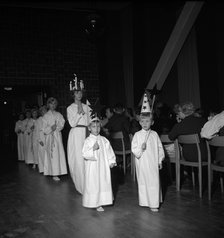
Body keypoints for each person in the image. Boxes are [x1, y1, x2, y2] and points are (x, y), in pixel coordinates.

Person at [131, 93, 164, 212]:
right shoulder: (137, 135)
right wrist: (141, 148)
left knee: (154, 181)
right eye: (142, 121)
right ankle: (145, 201)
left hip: (153, 162)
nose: (145, 123)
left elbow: (160, 148)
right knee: (144, 181)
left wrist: (160, 160)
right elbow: (134, 149)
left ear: (152, 122)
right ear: (139, 122)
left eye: (148, 121)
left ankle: (154, 203)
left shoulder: (154, 135)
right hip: (142, 163)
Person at [82, 112, 117, 212]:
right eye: (93, 126)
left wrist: (111, 161)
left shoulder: (104, 140)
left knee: (102, 182)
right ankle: (94, 202)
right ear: (89, 128)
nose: (96, 129)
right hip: (92, 167)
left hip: (103, 166)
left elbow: (109, 151)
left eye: (98, 126)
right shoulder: (88, 141)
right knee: (94, 183)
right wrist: (92, 149)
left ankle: (101, 201)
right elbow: (84, 154)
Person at [67, 76, 92, 194]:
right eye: (77, 92)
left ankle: (89, 184)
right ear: (73, 94)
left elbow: (90, 121)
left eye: (80, 92)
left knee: (88, 158)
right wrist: (79, 113)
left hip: (86, 133)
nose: (79, 94)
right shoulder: (70, 108)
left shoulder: (87, 106)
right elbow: (72, 123)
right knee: (78, 159)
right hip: (76, 134)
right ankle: (81, 186)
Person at [42, 97, 67, 181]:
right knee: (52, 154)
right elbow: (44, 129)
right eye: (51, 103)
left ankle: (58, 171)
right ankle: (52, 172)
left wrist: (57, 127)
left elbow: (62, 124)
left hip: (57, 136)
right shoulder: (45, 116)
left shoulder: (59, 115)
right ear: (48, 104)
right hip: (50, 137)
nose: (52, 105)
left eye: (54, 104)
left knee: (58, 154)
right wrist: (50, 128)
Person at [36, 105, 47, 173]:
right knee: (42, 154)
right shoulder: (38, 120)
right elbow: (37, 131)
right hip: (41, 137)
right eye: (42, 110)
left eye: (45, 110)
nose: (44, 112)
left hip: (48, 137)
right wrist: (39, 140)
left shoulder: (48, 118)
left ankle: (48, 169)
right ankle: (43, 169)